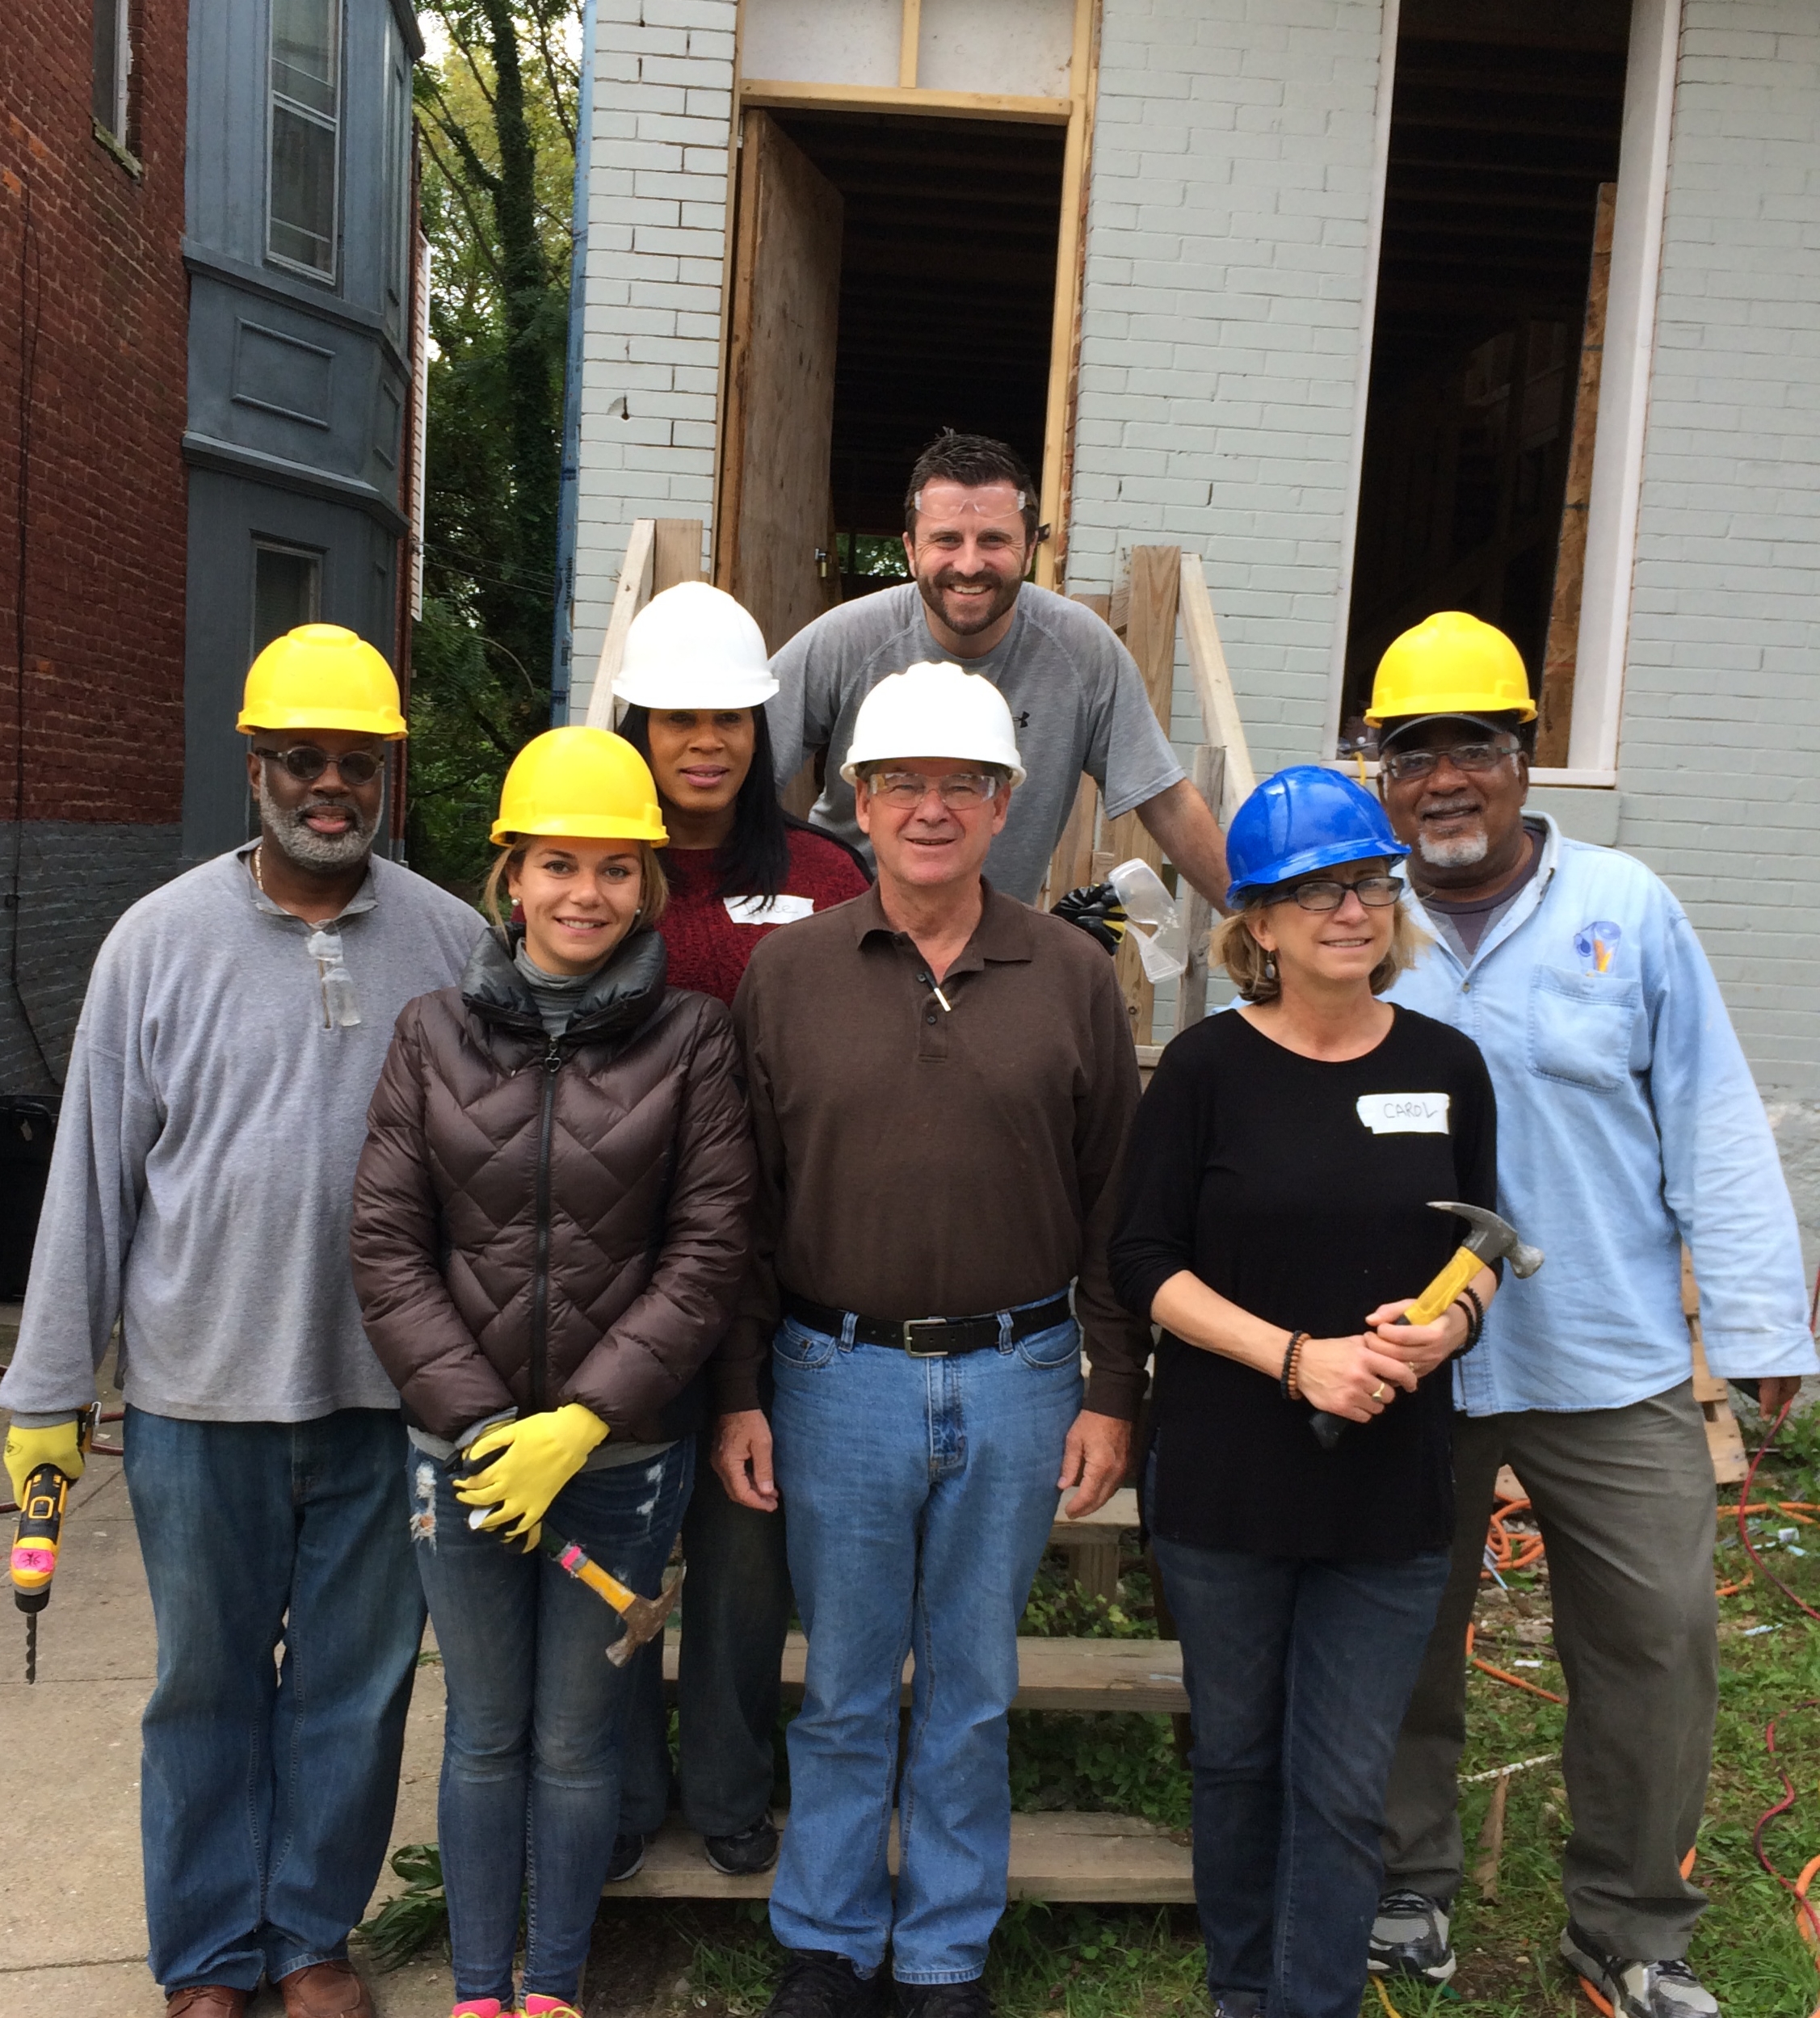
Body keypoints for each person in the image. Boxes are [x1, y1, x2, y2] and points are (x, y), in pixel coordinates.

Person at [0, 627, 481, 2018]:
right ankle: (208, 1956)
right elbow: (89, 1176)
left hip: (385, 1395)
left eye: (353, 763)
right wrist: (46, 1388)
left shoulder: (451, 940)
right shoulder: (156, 944)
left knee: (357, 1681)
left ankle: (311, 1935)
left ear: (383, 770)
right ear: (254, 763)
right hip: (196, 1394)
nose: (329, 787)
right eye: (301, 761)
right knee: (203, 1688)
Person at [1364, 612, 1815, 2018]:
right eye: (1413, 752)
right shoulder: (1346, 916)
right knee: (1393, 1635)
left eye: (1475, 747)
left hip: (1604, 1355)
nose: (1445, 777)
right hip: (1409, 1363)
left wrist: (1754, 1326)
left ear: (1522, 761)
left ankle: (1628, 1921)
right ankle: (1401, 1886)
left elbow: (1712, 1120)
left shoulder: (1624, 906)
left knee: (1656, 1637)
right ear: (1377, 774)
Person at [715, 662, 1151, 2018]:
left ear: (1005, 803)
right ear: (856, 798)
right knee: (844, 1682)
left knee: (967, 1683)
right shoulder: (787, 977)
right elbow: (741, 1205)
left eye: (960, 783)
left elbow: (1114, 1204)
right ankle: (831, 1938)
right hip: (832, 1372)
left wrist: (1108, 1385)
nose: (929, 807)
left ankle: (944, 1947)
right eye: (901, 780)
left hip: (1021, 1377)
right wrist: (737, 1390)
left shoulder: (1073, 975)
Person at [348, 725, 755, 2018]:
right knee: (482, 1728)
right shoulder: (428, 1035)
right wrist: (478, 1424)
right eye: (557, 863)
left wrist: (582, 1421)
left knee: (578, 1739)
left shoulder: (693, 1041)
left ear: (649, 884)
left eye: (615, 868)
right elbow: (384, 1242)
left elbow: (708, 1248)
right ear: (508, 877)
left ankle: (557, 1988)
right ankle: (480, 1991)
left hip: (622, 1467)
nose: (585, 892)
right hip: (462, 1464)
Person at [1108, 764, 1501, 2018]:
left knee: (1340, 1778)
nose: (1354, 908)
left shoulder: (1448, 1063)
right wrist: (1294, 1355)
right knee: (1236, 1760)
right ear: (1259, 923)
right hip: (1228, 1479)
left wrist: (1450, 1328)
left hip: (1389, 1484)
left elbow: (1490, 1245)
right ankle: (1242, 1990)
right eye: (1319, 889)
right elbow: (1141, 1262)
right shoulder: (1206, 1068)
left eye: (1371, 883)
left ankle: (1312, 2000)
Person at [607, 581, 869, 1881]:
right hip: (614, 1272)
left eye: (729, 719)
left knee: (743, 1553)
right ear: (637, 726)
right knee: (608, 1551)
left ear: (762, 733)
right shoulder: (597, 861)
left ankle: (723, 1785)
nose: (704, 742)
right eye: (676, 719)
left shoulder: (825, 879)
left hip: (774, 1276)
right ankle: (603, 1792)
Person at [767, 431, 1229, 907]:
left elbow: (1167, 802)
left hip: (993, 949)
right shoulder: (847, 639)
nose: (969, 565)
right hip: (848, 931)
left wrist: (1258, 927)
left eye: (994, 540)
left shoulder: (1080, 650)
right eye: (946, 539)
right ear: (910, 549)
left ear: (1030, 550)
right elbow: (740, 768)